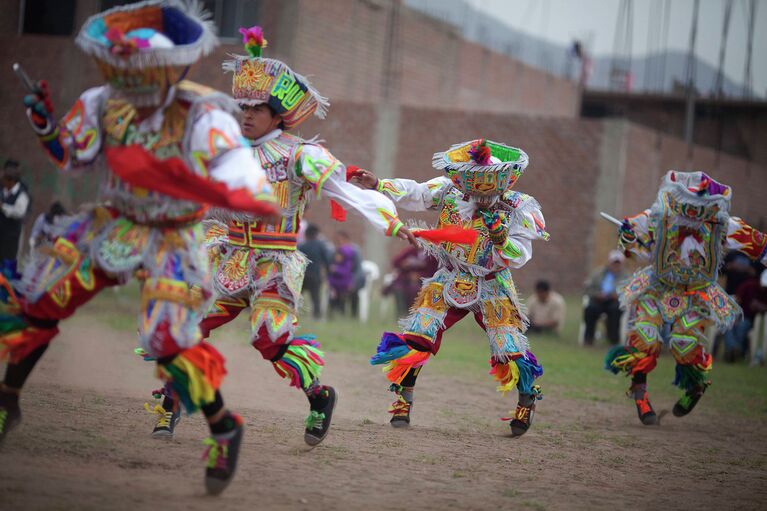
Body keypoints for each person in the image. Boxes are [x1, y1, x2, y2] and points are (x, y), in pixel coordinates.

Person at [0, 1, 278, 495]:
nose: (139, 92)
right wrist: (46, 127)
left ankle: (223, 426)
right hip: (118, 222)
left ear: (172, 70)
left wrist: (248, 192)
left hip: (175, 234)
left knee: (167, 338)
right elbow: (75, 156)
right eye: (130, 79)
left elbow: (235, 160)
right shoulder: (101, 101)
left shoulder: (203, 111)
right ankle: (8, 397)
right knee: (43, 298)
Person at [148, 26, 414, 446]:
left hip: (275, 262)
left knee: (269, 338)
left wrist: (395, 225)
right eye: (244, 107)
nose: (247, 115)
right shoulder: (226, 147)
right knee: (186, 326)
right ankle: (172, 402)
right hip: (229, 257)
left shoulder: (301, 154)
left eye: (257, 108)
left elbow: (346, 191)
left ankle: (320, 397)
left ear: (277, 114)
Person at [359, 138, 549, 436]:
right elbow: (417, 193)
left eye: (488, 187)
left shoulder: (519, 206)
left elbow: (520, 256)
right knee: (417, 336)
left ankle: (526, 397)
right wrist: (379, 185)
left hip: (491, 283)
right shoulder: (449, 191)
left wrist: (500, 239)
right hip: (448, 276)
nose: (481, 196)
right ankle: (403, 400)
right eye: (475, 186)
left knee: (509, 348)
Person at [605, 171, 767, 426]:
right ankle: (640, 394)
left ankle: (697, 386)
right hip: (657, 286)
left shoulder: (724, 224)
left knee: (684, 345)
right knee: (644, 339)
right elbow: (628, 243)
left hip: (695, 292)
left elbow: (760, 246)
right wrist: (626, 234)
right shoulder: (657, 216)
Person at [722, 268, 767, 362]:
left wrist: (760, 307)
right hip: (737, 315)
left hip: (751, 319)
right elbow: (737, 300)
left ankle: (733, 352)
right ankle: (734, 350)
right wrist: (735, 317)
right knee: (727, 325)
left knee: (742, 326)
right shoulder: (749, 285)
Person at [582, 250, 626, 345]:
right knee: (590, 309)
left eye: (618, 263)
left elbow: (629, 291)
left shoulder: (626, 276)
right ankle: (588, 338)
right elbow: (588, 288)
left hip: (615, 301)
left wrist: (618, 295)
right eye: (614, 263)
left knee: (615, 310)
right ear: (609, 263)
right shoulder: (598, 273)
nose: (615, 266)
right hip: (599, 300)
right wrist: (596, 294)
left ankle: (613, 339)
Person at [384, 245, 439, 317]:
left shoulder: (432, 254)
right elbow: (395, 262)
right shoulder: (410, 251)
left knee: (415, 289)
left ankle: (414, 314)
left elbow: (434, 271)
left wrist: (419, 275)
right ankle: (401, 314)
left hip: (424, 281)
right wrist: (403, 264)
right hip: (405, 278)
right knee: (398, 288)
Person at [0, 160, 31, 264]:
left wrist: (3, 207)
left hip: (11, 236)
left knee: (7, 263)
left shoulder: (21, 194)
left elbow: (19, 212)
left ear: (11, 181)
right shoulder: (2, 191)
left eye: (4, 180)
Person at [299, 224, 331, 319]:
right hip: (315, 276)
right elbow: (326, 260)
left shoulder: (302, 245)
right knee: (316, 297)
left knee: (298, 296)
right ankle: (317, 316)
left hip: (302, 276)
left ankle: (293, 313)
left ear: (306, 235)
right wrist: (328, 272)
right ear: (317, 234)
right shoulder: (321, 246)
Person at [328, 231, 361, 317]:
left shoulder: (354, 252)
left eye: (341, 240)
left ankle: (354, 315)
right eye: (337, 241)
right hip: (337, 282)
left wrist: (352, 282)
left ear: (347, 240)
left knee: (354, 293)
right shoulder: (334, 252)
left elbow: (357, 270)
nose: (340, 243)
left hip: (351, 280)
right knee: (334, 294)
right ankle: (335, 314)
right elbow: (330, 269)